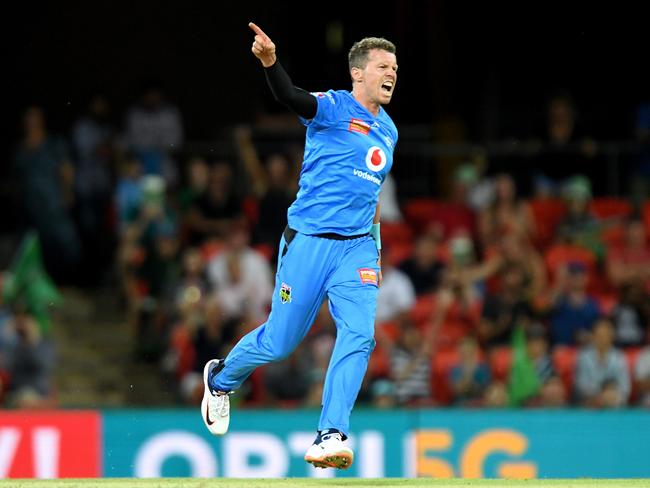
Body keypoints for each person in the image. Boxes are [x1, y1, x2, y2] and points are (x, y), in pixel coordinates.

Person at [200, 22, 398, 471]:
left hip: (357, 249)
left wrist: (378, 251)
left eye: (396, 68)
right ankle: (221, 378)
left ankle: (332, 433)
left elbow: (372, 200)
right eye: (383, 66)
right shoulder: (333, 106)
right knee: (280, 342)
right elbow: (291, 97)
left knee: (360, 334)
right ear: (358, 73)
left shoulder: (389, 132)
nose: (392, 74)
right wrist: (271, 62)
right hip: (308, 244)